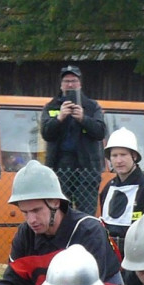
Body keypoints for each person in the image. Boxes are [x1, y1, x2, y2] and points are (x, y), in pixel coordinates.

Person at [0, 160, 121, 285]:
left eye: (36, 210)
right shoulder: (25, 235)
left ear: (55, 202)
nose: (31, 219)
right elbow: (14, 283)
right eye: (25, 212)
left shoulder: (87, 230)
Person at [40, 65, 106, 215]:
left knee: (87, 214)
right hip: (59, 167)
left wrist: (84, 119)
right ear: (61, 85)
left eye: (74, 81)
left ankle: (85, 239)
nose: (70, 84)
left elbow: (100, 132)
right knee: (60, 213)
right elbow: (45, 133)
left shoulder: (91, 106)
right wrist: (59, 118)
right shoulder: (51, 106)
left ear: (80, 84)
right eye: (66, 81)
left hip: (87, 168)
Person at [98, 127, 144, 258]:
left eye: (123, 155)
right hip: (110, 256)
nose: (119, 160)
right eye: (114, 156)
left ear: (135, 156)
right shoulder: (107, 188)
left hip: (140, 257)